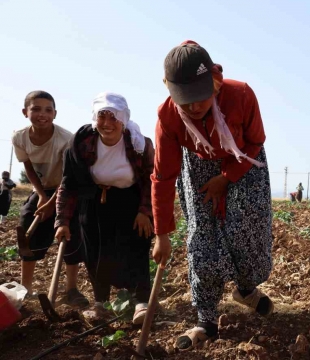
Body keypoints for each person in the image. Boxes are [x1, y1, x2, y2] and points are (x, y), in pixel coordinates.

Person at [151, 40, 273, 350]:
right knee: (201, 238)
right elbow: (163, 175)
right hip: (200, 165)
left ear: (214, 82)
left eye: (199, 98)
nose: (193, 108)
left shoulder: (241, 95)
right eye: (185, 100)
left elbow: (255, 141)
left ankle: (245, 290)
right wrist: (162, 233)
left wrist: (227, 176)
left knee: (247, 230)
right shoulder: (168, 116)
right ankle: (206, 319)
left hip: (245, 161)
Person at [55, 92, 155, 324]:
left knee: (136, 247)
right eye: (102, 116)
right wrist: (62, 220)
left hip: (130, 199)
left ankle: (141, 301)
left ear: (124, 120)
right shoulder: (81, 144)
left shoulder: (139, 144)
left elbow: (152, 179)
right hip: (93, 198)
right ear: (94, 117)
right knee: (95, 251)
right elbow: (69, 183)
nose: (107, 124)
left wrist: (145, 211)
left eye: (114, 117)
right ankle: (100, 303)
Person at [12, 91, 88, 306]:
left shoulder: (66, 140)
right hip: (43, 189)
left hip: (70, 189)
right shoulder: (19, 137)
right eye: (35, 109)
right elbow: (27, 165)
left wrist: (53, 201)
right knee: (28, 226)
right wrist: (42, 196)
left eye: (48, 110)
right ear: (25, 112)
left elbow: (68, 176)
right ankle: (26, 288)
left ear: (55, 114)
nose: (42, 114)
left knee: (71, 237)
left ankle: (71, 289)